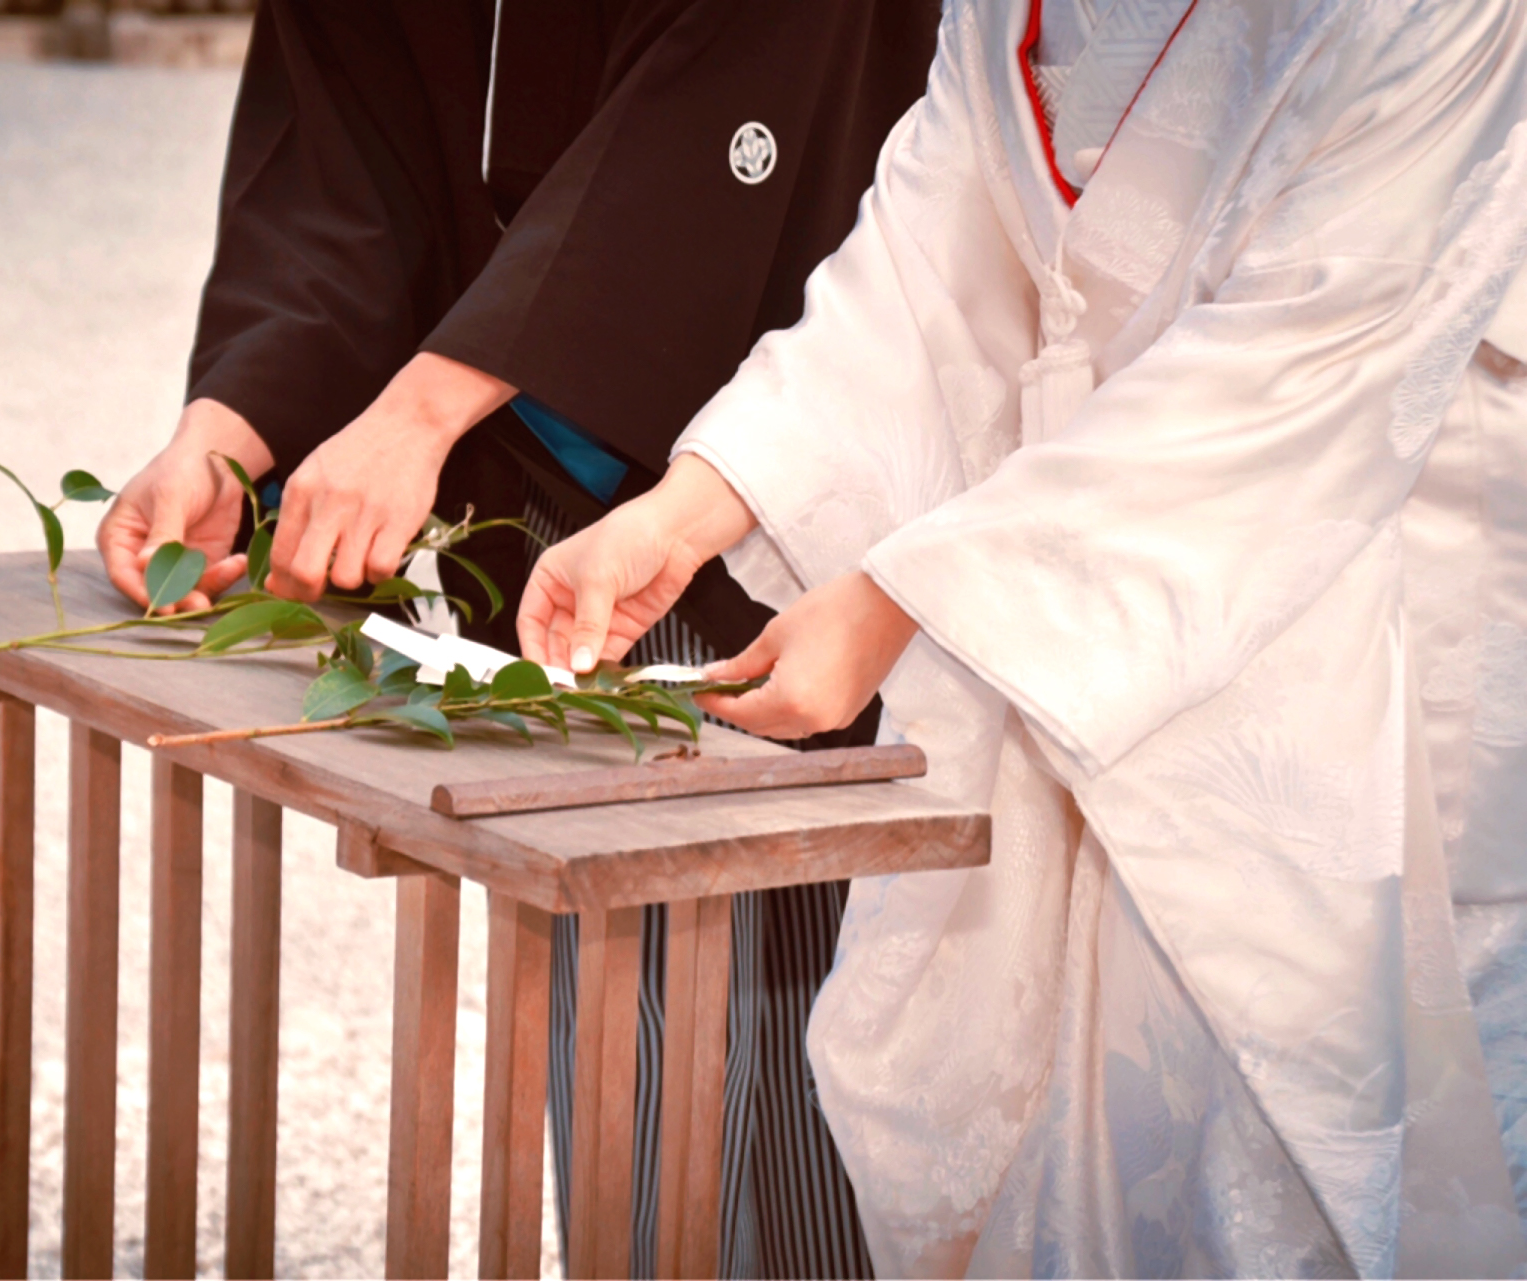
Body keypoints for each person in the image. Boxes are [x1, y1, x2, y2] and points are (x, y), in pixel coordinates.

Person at [519, 0, 1527, 1273]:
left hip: (1351, 557)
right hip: (1043, 581)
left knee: (1297, 1138)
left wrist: (906, 599)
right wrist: (691, 505)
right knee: (1052, 1133)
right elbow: (931, 250)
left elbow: (1297, 355)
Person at [94, 2, 940, 1274]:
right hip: (509, 469)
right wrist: (236, 424)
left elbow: (720, 113)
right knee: (621, 1021)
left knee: (790, 1004)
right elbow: (340, 154)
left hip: (744, 453)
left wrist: (423, 405)